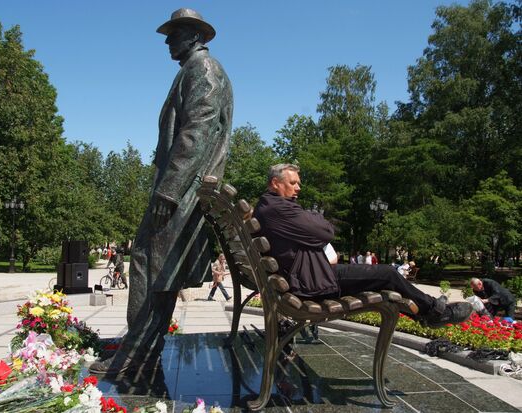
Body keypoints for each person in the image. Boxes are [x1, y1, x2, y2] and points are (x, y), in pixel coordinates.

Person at [90, 8, 233, 375]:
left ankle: (134, 357)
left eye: (175, 33)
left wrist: (168, 192)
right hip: (184, 190)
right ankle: (138, 351)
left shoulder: (203, 69)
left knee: (146, 266)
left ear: (195, 37)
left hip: (183, 193)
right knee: (157, 273)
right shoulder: (192, 71)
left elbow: (195, 133)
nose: (168, 41)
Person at [253, 164, 472, 328]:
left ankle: (428, 313)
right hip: (310, 281)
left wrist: (311, 220)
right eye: (293, 183)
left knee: (381, 277)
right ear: (275, 183)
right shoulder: (280, 209)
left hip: (306, 275)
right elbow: (326, 231)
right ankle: (435, 312)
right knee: (387, 273)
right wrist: (315, 219)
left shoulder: (267, 206)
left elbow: (318, 232)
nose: (298, 188)